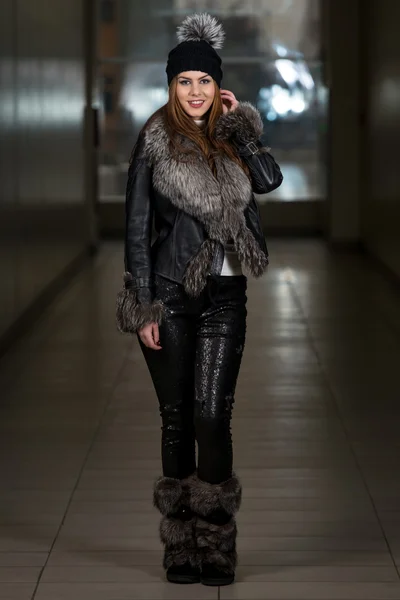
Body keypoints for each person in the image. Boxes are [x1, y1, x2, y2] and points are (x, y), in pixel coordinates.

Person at [116, 12, 283, 587]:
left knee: (213, 417)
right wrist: (143, 306)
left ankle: (216, 542)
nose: (194, 91)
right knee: (176, 419)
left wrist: (243, 130)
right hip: (168, 294)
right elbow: (137, 228)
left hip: (225, 297)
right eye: (184, 81)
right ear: (170, 86)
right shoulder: (155, 139)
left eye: (204, 81)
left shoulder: (232, 136)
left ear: (218, 86)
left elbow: (269, 182)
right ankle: (181, 547)